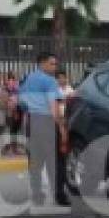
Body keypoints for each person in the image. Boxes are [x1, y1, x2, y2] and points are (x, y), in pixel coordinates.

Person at [20, 52, 68, 206]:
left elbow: (21, 102)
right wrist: (61, 127)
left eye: (55, 64)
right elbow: (54, 106)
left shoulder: (29, 79)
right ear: (42, 63)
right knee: (55, 161)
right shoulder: (50, 81)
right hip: (47, 122)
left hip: (32, 122)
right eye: (52, 64)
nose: (55, 67)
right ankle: (59, 195)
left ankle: (37, 195)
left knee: (35, 162)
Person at [3, 69, 25, 156]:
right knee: (12, 130)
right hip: (12, 110)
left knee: (14, 130)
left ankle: (13, 149)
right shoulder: (9, 85)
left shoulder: (17, 85)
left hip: (18, 109)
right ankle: (10, 149)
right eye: (13, 75)